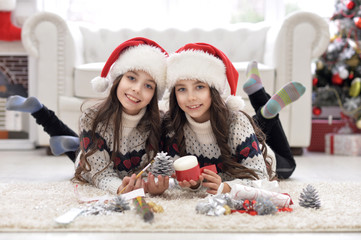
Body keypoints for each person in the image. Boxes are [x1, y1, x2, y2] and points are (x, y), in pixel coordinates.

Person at [6, 37, 170, 196]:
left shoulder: (159, 123)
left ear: (155, 94)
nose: (136, 89)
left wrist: (151, 184)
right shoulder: (92, 117)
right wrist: (119, 187)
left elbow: (156, 166)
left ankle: (74, 144)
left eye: (148, 85)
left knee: (83, 147)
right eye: (131, 78)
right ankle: (41, 112)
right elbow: (98, 171)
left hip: (98, 148)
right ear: (117, 80)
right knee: (83, 157)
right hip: (90, 163)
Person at [162, 43, 276, 195]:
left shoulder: (237, 123)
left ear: (213, 90)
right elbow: (175, 179)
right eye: (182, 89)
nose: (191, 97)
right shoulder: (173, 126)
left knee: (287, 165)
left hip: (265, 158)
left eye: (199, 87)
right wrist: (194, 185)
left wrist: (226, 187)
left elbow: (261, 179)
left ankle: (265, 103)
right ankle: (267, 110)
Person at [243, 61, 305, 179]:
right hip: (254, 159)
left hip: (249, 157)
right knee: (289, 165)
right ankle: (257, 94)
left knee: (288, 164)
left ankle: (264, 110)